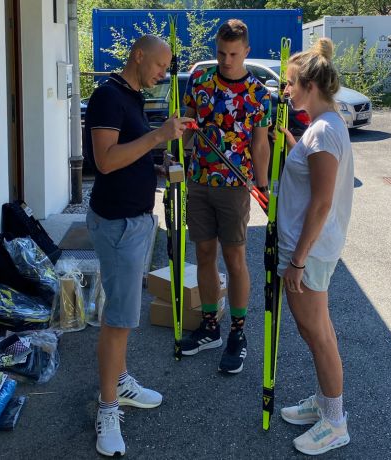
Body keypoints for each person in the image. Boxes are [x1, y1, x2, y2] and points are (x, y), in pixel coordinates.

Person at [84, 35, 193, 457]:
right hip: (118, 225)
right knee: (119, 320)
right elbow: (105, 160)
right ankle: (107, 409)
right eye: (161, 66)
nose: (163, 74)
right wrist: (157, 137)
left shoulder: (130, 95)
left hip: (134, 221)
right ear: (139, 55)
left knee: (123, 312)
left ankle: (120, 381)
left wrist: (156, 165)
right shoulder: (108, 96)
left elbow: (127, 154)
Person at [276, 37, 354, 456]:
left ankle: (335, 421)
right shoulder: (323, 127)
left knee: (317, 333)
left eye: (291, 83)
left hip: (309, 252)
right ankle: (325, 403)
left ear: (310, 85)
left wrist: (298, 260)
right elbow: (310, 170)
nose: (286, 90)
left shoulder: (324, 131)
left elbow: (322, 202)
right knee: (315, 329)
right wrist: (290, 141)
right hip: (309, 249)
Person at [180, 19, 272, 373]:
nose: (226, 60)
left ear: (246, 51)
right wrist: (176, 153)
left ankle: (237, 332)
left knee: (235, 258)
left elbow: (260, 144)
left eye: (233, 54)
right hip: (199, 180)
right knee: (204, 253)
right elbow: (187, 126)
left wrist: (262, 185)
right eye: (221, 53)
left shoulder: (258, 93)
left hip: (235, 186)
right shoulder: (200, 82)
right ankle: (209, 327)